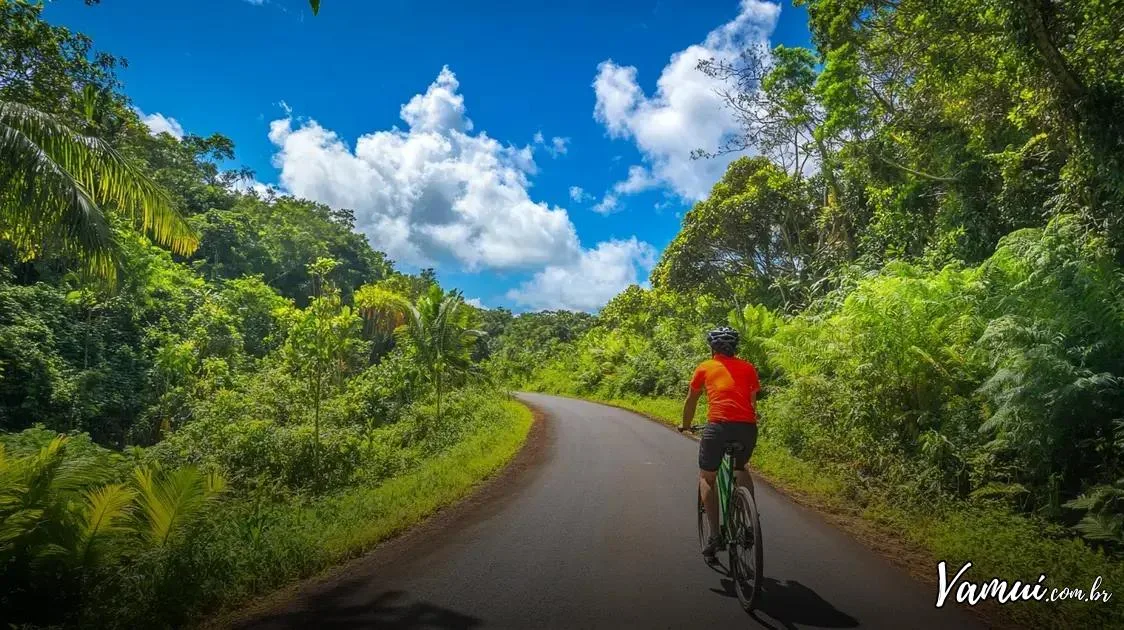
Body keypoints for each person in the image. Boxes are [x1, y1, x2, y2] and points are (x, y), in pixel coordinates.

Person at [678, 326, 760, 560]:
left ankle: (715, 535)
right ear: (735, 348)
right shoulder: (748, 368)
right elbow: (751, 402)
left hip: (718, 427)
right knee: (741, 468)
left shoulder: (705, 367)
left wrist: (685, 425)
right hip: (746, 428)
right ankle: (749, 519)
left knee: (707, 477)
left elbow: (691, 400)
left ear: (712, 348)